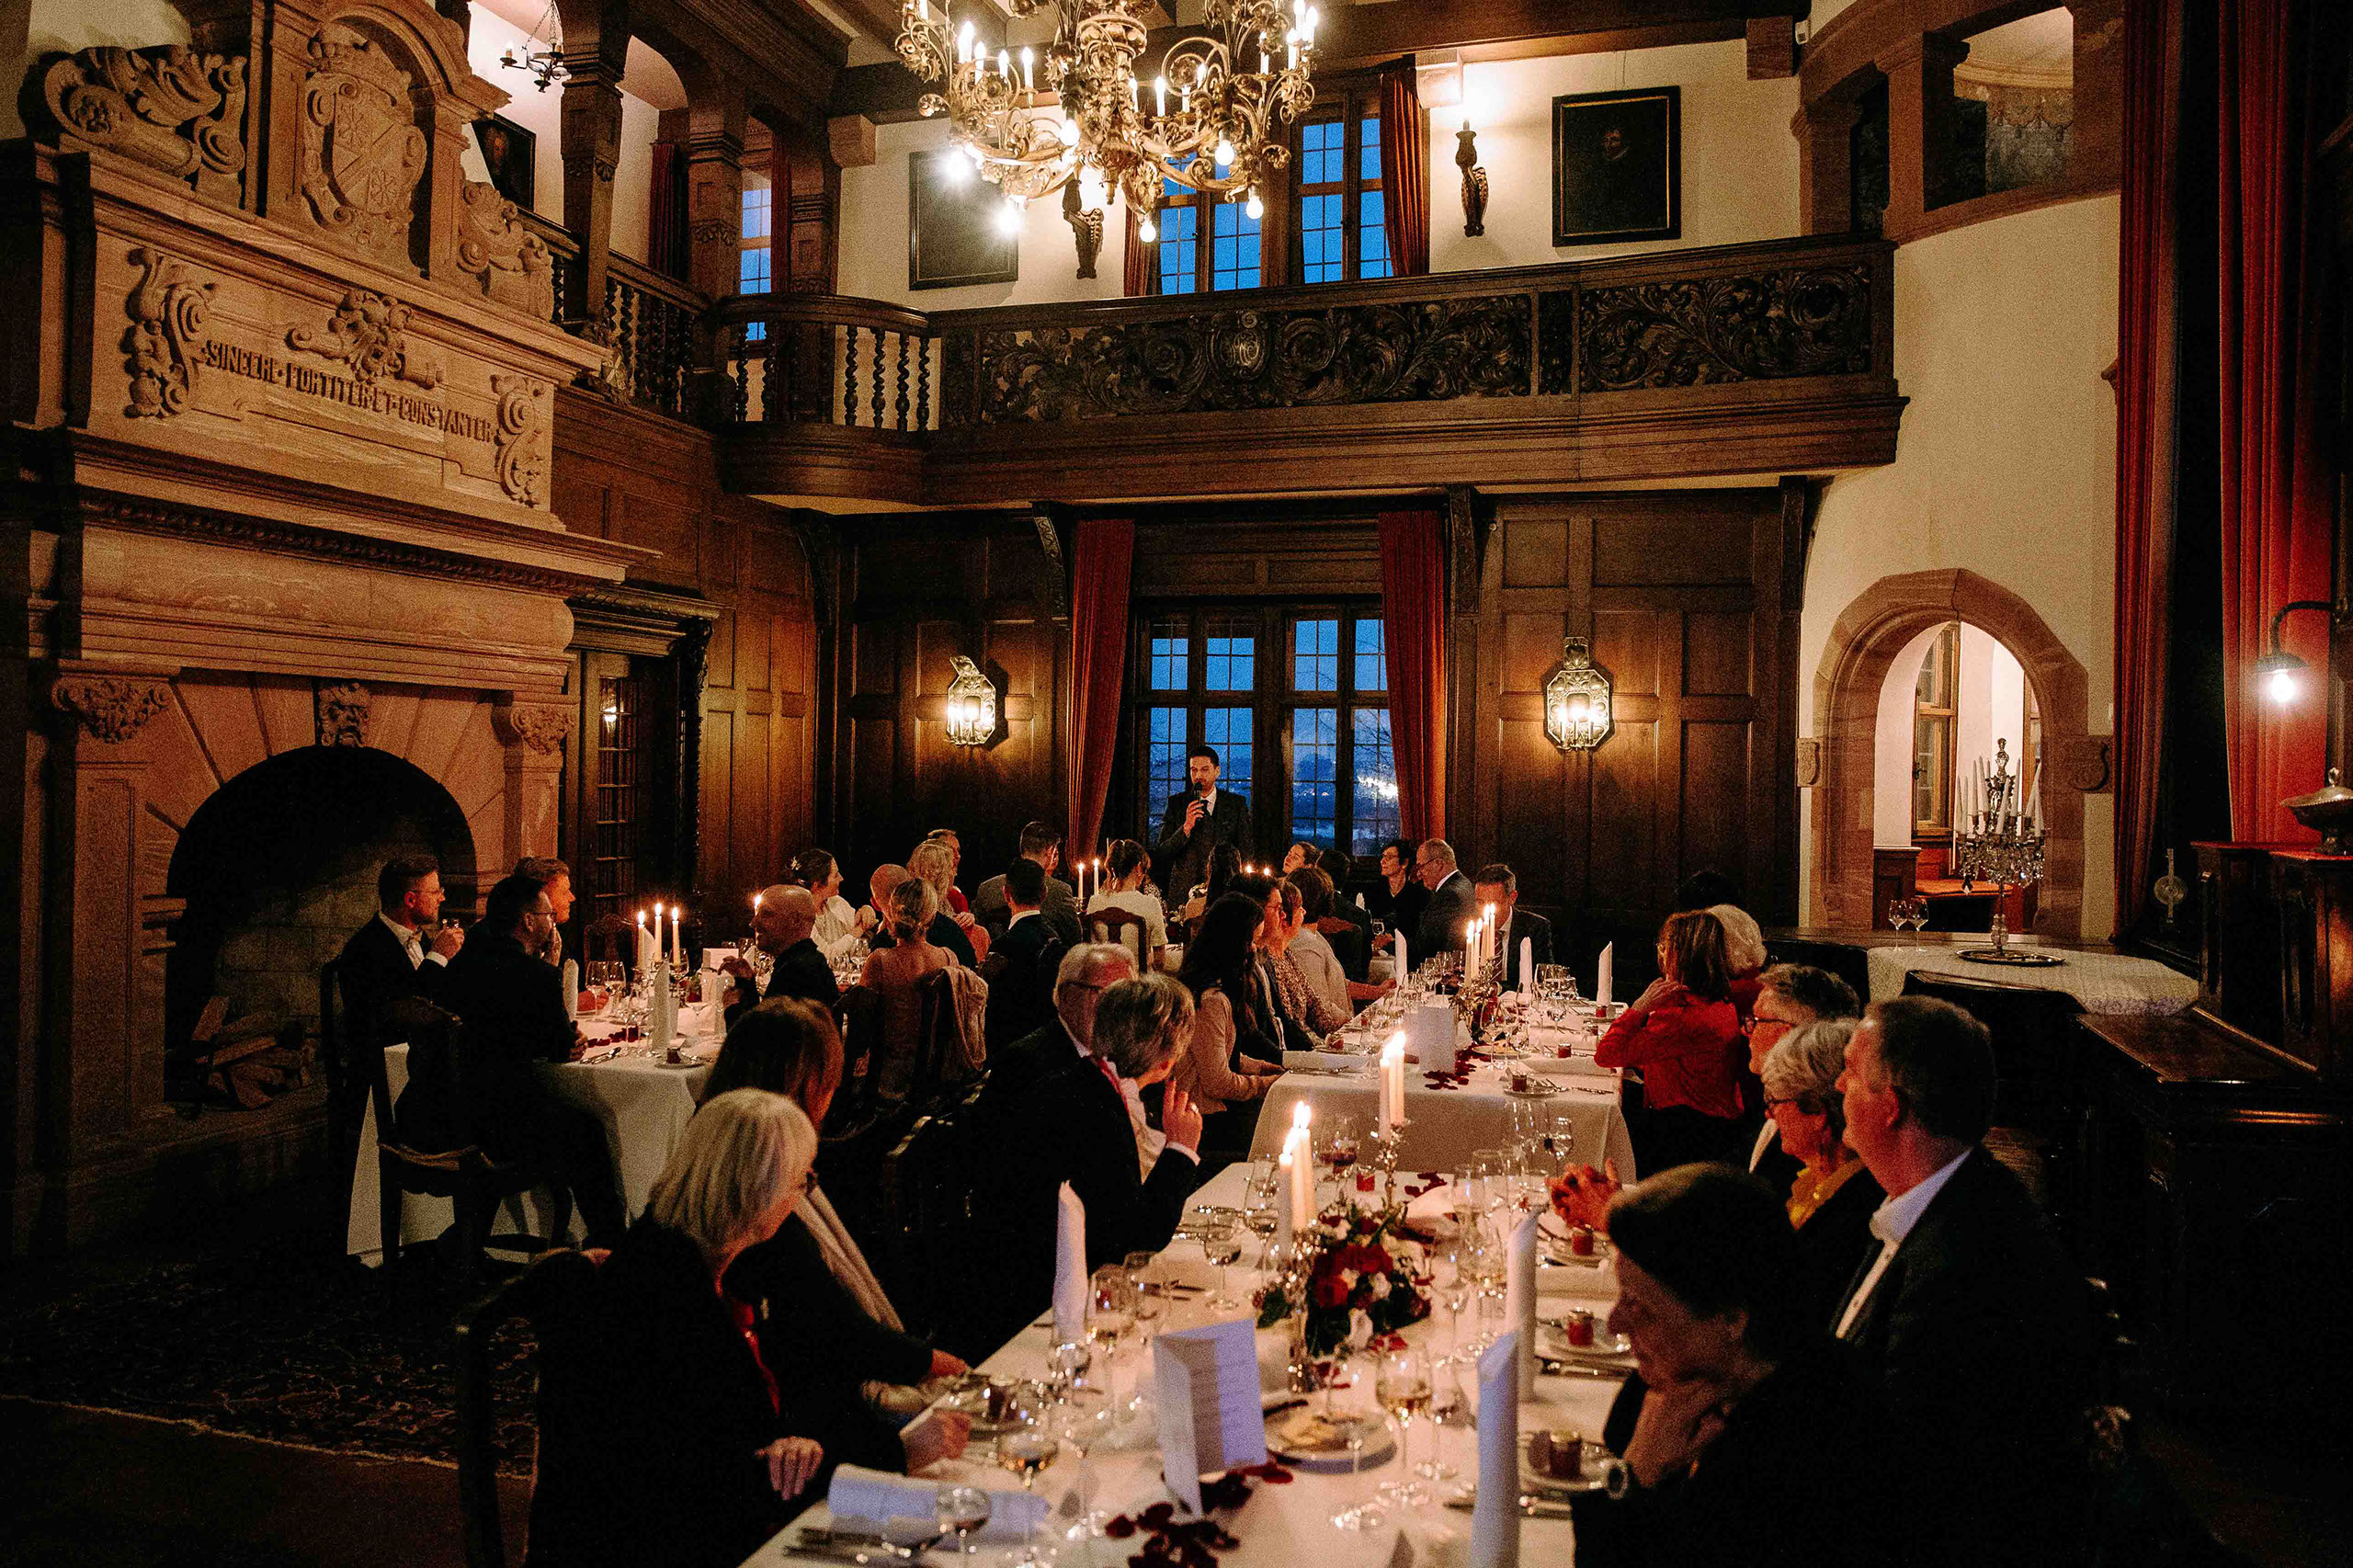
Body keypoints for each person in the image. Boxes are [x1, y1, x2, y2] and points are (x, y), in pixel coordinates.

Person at [1833, 996, 2098, 1567]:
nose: (1836, 1084)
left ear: (1890, 1108)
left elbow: (1898, 1460)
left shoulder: (1969, 1263)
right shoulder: (1931, 1200)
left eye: (1851, 1072)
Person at [528, 1090, 833, 1568]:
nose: (802, 1195)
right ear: (761, 1192)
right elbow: (694, 1490)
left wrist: (792, 1449)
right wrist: (819, 1467)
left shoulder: (685, 1258)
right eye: (802, 1180)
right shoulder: (663, 1300)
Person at [1569, 1165, 1895, 1568]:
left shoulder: (1827, 1443)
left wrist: (1637, 1476)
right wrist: (1635, 1474)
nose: (1615, 1322)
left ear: (1731, 1319)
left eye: (1639, 1305)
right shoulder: (1669, 1383)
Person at [708, 1002, 975, 1473]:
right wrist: (931, 1361)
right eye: (831, 1081)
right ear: (809, 1087)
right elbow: (829, 1327)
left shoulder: (724, 1150)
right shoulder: (762, 1190)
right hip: (800, 1423)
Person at [400, 871, 628, 1244]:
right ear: (526, 921)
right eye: (547, 916)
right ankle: (608, 1242)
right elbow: (558, 1047)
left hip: (424, 1115)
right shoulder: (535, 975)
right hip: (488, 1131)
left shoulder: (458, 964)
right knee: (585, 1130)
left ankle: (467, 1239)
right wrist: (564, 1039)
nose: (552, 922)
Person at [989, 976, 1206, 1315]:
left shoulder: (1080, 1082)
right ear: (1166, 1061)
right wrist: (1180, 1151)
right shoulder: (1098, 1107)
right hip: (1042, 1299)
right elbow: (1134, 1241)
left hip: (1023, 1267)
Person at [1596, 909, 1748, 1175]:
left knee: (1601, 1126)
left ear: (1684, 955)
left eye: (1666, 947)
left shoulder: (1684, 1017)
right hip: (1714, 1127)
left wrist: (1640, 1007)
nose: (1661, 954)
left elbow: (1607, 1053)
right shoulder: (1716, 1002)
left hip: (1686, 1135)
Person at [1756, 1017, 1883, 1324]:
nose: (1768, 1113)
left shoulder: (1856, 1207)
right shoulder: (1810, 1181)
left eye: (1774, 1101)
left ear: (1817, 1113)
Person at [333, 855, 462, 1142]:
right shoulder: (365, 949)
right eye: (435, 891)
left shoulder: (422, 939)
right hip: (384, 1076)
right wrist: (438, 957)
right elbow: (404, 1011)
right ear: (410, 900)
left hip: (422, 1062)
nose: (442, 897)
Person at [1171, 893, 1284, 1148]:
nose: (1254, 950)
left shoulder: (1215, 991)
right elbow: (1217, 1083)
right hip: (1206, 1118)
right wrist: (1266, 1085)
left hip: (1214, 1109)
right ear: (1234, 944)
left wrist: (1262, 1067)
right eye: (1251, 942)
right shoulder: (1211, 1000)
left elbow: (1219, 1054)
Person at [1744, 965, 1861, 1199]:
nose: (1745, 1030)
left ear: (1786, 1033)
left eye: (1755, 1020)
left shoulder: (1814, 1134)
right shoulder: (1783, 1107)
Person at [857, 878, 957, 1104]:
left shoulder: (880, 961)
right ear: (932, 916)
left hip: (887, 1079)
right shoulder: (949, 957)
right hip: (936, 1077)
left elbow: (861, 1026)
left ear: (892, 912)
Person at [722, 884, 837, 1027]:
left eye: (767, 914)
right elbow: (762, 1024)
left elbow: (753, 1045)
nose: (753, 922)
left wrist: (731, 1008)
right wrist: (746, 982)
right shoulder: (802, 961)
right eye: (757, 913)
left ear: (795, 921)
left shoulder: (798, 973)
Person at [1155, 744, 1255, 901]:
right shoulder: (1176, 804)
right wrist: (1186, 828)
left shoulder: (1236, 804)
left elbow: (1246, 850)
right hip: (1183, 891)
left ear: (1217, 771)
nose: (1198, 775)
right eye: (1193, 770)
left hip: (1224, 889)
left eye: (1204, 769)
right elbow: (1163, 852)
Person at [983, 858, 1061, 1051]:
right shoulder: (1056, 942)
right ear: (1044, 894)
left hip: (1008, 1050)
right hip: (1049, 1049)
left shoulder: (1002, 946)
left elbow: (993, 1014)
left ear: (1006, 894)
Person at [1260, 878, 1349, 1045]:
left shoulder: (1285, 954)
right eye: (1299, 908)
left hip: (1304, 1046)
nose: (1304, 912)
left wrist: (1340, 1034)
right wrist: (1315, 1050)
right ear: (1284, 918)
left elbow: (1313, 1004)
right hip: (1292, 1052)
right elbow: (1288, 1024)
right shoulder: (1268, 959)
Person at [973, 821, 1082, 948]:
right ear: (1050, 851)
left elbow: (978, 936)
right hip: (1044, 963)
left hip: (997, 960)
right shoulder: (1060, 890)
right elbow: (1074, 940)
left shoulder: (987, 888)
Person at [1084, 837, 1168, 969]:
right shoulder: (1150, 903)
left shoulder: (1095, 902)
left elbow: (1090, 953)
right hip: (1137, 985)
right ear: (1139, 867)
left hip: (1103, 984)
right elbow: (1160, 960)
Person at [1282, 868, 1353, 1017]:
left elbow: (1334, 983)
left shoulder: (1313, 936)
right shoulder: (1303, 943)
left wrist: (1377, 990)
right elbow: (1320, 1007)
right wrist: (1354, 1024)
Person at [1472, 862, 1553, 989]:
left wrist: (1498, 988)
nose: (1485, 910)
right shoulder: (1471, 928)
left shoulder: (1535, 928)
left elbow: (1542, 978)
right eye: (1480, 902)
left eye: (1493, 902)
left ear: (1512, 898)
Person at [906, 840, 983, 967]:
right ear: (939, 875)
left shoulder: (903, 907)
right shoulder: (944, 927)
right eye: (951, 868)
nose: (955, 873)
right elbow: (968, 965)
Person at [793, 848, 874, 961]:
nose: (841, 878)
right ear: (817, 885)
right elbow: (825, 956)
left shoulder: (836, 902)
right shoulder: (799, 916)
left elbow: (860, 928)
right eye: (835, 875)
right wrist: (860, 929)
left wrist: (866, 910)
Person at [1412, 838, 1477, 960]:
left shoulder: (1448, 894)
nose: (1419, 874)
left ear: (1439, 864)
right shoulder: (1464, 883)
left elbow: (1429, 944)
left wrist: (1391, 945)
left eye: (1421, 867)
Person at [1366, 838, 1427, 952]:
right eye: (1383, 856)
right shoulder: (1373, 892)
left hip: (1408, 953)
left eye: (1389, 857)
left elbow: (1420, 934)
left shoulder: (1419, 895)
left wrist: (1393, 939)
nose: (1382, 862)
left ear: (1404, 863)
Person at [516, 856, 573, 965]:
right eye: (564, 892)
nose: (572, 898)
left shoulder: (555, 935)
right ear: (543, 895)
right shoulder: (515, 943)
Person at [921, 828, 971, 915]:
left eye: (958, 850)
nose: (957, 856)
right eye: (950, 849)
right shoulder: (914, 892)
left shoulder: (956, 898)